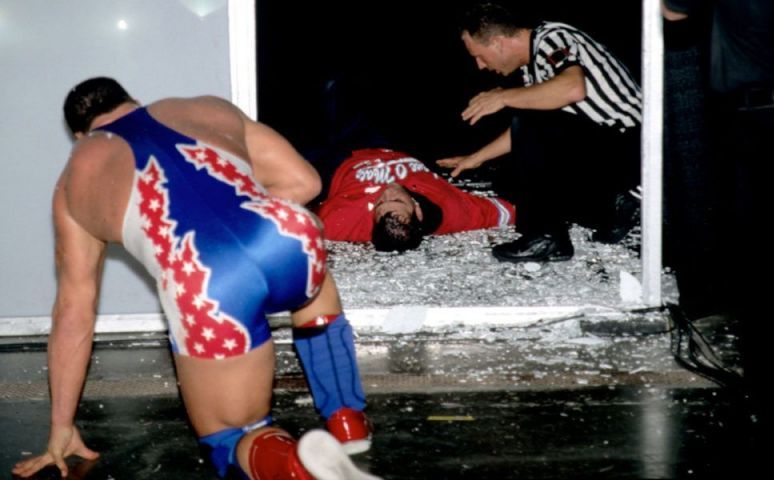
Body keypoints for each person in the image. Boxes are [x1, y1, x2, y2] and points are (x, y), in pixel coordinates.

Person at [12, 77, 379, 480]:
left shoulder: (73, 180)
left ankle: (298, 466)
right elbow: (305, 183)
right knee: (308, 270)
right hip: (289, 239)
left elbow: (74, 312)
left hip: (209, 284)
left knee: (229, 434)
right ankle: (348, 422)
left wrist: (61, 426)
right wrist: (243, 229)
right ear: (132, 99)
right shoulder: (205, 107)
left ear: (81, 135)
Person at [661, 1, 774, 474]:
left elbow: (674, 10)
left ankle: (769, 401)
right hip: (772, 110)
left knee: (763, 263)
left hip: (767, 115)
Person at [436, 2, 642, 263]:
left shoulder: (553, 37)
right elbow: (529, 137)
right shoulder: (531, 67)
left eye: (480, 55)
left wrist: (504, 97)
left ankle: (546, 236)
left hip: (635, 146)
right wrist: (476, 158)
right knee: (509, 180)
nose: (480, 66)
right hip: (609, 151)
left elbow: (572, 89)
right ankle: (612, 209)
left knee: (528, 115)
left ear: (498, 42)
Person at [315, 147, 515, 252]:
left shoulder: (339, 223)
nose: (387, 193)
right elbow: (507, 211)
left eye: (379, 204)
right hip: (404, 144)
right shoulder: (455, 212)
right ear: (418, 211)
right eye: (398, 201)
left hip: (342, 156)